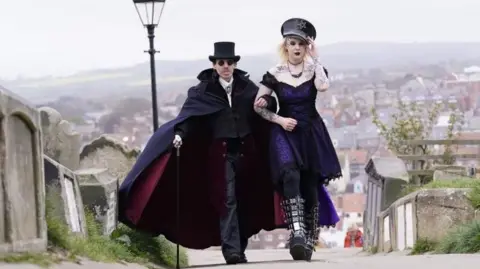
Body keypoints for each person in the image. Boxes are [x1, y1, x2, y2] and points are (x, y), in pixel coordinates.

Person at [117, 41, 282, 265]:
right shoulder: (203, 91)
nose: (225, 66)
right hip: (221, 155)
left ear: (234, 65)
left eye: (229, 62)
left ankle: (238, 249)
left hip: (246, 153)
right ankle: (231, 251)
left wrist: (269, 101)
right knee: (228, 200)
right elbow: (190, 118)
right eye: (221, 62)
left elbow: (263, 108)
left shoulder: (247, 87)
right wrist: (179, 135)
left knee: (245, 200)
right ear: (214, 65)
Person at [253, 18, 341, 261]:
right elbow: (258, 107)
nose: (297, 48)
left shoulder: (314, 70)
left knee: (310, 183)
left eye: (302, 44)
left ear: (307, 47)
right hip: (285, 130)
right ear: (286, 45)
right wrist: (279, 120)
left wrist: (317, 58)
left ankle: (310, 238)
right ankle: (297, 232)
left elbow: (323, 87)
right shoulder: (274, 74)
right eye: (293, 43)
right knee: (290, 175)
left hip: (311, 131)